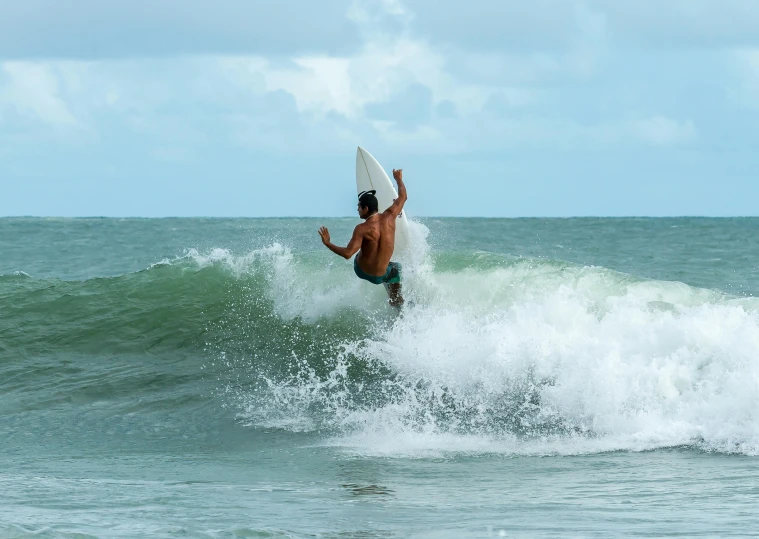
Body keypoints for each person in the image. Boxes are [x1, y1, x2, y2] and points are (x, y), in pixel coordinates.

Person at [318, 169, 407, 307]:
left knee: (363, 249)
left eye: (358, 207)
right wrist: (398, 178)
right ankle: (395, 300)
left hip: (361, 271)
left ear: (365, 208)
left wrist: (328, 243)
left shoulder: (361, 228)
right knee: (396, 268)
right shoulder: (391, 216)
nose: (357, 210)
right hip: (380, 276)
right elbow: (403, 196)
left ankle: (392, 295)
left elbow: (348, 254)